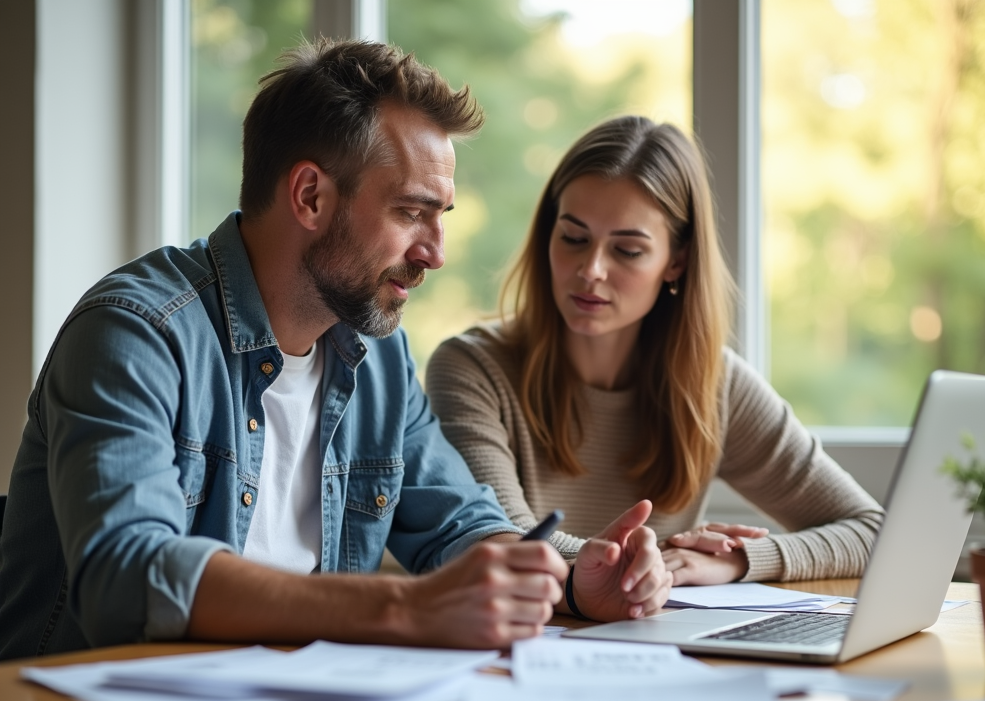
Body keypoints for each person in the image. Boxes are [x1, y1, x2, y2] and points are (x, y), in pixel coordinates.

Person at [0, 41, 671, 661]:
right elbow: (128, 576)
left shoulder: (375, 356)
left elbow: (461, 526)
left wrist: (571, 585)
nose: (435, 253)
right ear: (311, 197)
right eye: (411, 213)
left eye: (442, 217)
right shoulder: (136, 332)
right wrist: (405, 606)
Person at [426, 116, 884, 587]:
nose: (591, 270)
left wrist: (737, 560)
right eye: (574, 238)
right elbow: (507, 542)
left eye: (627, 250)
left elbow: (872, 531)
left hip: (658, 650)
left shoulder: (715, 385)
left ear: (676, 262)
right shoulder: (471, 369)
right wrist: (661, 559)